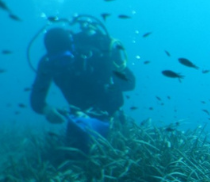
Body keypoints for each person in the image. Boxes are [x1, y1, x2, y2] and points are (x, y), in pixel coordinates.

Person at [30, 20, 136, 155]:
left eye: (66, 59)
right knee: (76, 158)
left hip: (110, 116)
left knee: (117, 153)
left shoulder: (96, 55)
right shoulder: (48, 65)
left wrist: (109, 70)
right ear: (50, 57)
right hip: (79, 119)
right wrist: (47, 109)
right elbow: (36, 100)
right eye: (57, 60)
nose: (63, 65)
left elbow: (130, 83)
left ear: (73, 50)